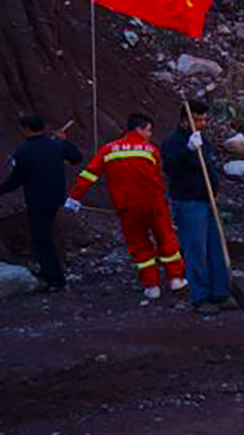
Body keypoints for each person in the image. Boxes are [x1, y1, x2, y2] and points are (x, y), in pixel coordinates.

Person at [65, 113, 187, 299]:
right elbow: (157, 178)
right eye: (148, 130)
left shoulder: (108, 150)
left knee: (139, 245)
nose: (149, 134)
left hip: (127, 207)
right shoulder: (150, 150)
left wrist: (74, 198)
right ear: (139, 129)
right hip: (154, 204)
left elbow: (88, 175)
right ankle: (176, 279)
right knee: (166, 240)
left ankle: (151, 286)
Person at [161, 100, 229, 315]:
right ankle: (199, 296)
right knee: (196, 249)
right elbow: (170, 167)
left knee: (215, 247)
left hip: (207, 200)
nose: (201, 124)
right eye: (197, 119)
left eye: (204, 120)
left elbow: (206, 167)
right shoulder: (175, 141)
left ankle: (219, 292)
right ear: (185, 119)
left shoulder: (202, 139)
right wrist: (188, 150)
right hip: (189, 202)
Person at [0, 115, 82, 291]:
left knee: (41, 239)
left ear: (26, 129)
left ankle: (55, 280)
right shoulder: (56, 145)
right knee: (48, 236)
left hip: (37, 201)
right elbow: (76, 157)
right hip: (56, 198)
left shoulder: (24, 151)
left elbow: (15, 181)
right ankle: (56, 272)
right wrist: (64, 142)